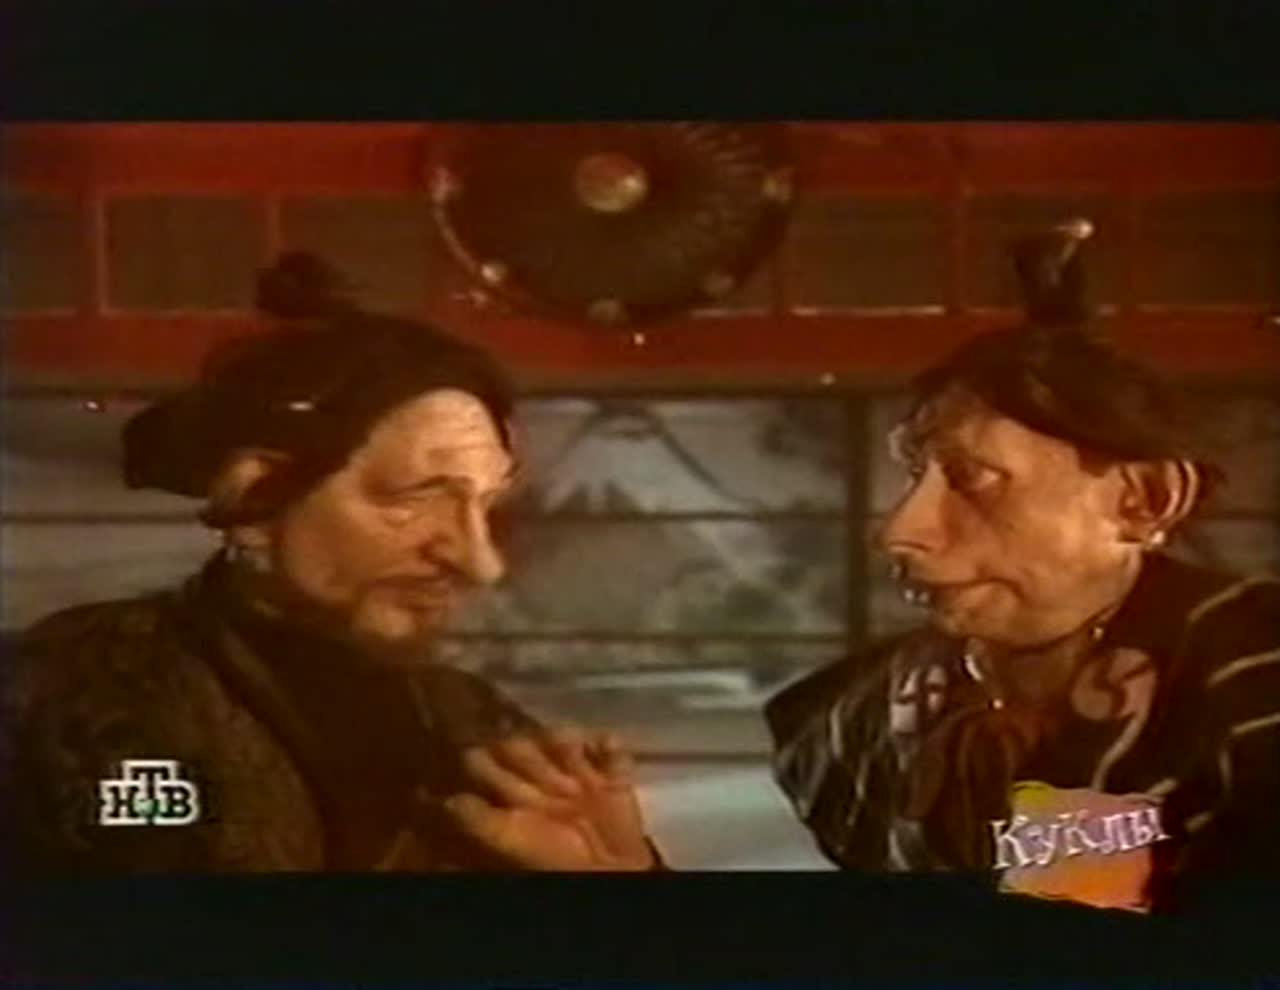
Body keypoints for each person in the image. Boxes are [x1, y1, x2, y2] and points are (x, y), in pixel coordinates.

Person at [437, 225, 1280, 912]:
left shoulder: (1252, 683)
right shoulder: (866, 715)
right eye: (914, 474)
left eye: (974, 479)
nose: (901, 531)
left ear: (1143, 498)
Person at [0, 254, 658, 872]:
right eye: (413, 498)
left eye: (484, 505)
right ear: (254, 497)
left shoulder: (471, 724)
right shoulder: (77, 688)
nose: (480, 564)